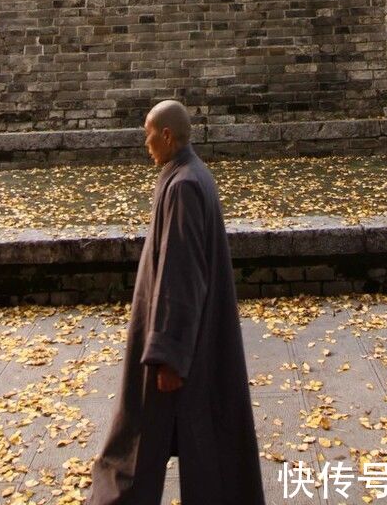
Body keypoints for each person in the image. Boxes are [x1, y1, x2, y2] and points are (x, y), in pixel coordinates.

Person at [88, 99, 266, 505]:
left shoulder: (184, 185)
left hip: (175, 345)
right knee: (207, 437)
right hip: (189, 341)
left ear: (167, 136)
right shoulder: (188, 175)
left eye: (148, 133)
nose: (145, 142)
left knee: (136, 443)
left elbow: (181, 273)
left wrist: (168, 356)